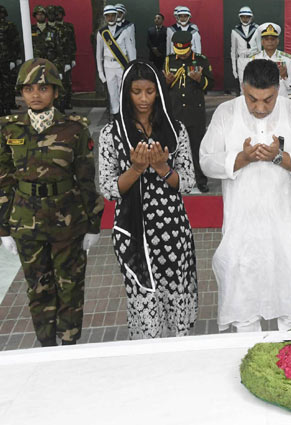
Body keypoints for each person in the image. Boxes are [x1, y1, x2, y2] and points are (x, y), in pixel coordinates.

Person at [200, 59, 291, 332]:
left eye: (268, 100)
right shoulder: (226, 113)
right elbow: (206, 160)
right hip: (242, 226)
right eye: (252, 99)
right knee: (243, 300)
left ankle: (290, 352)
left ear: (278, 89)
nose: (260, 108)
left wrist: (282, 158)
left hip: (284, 226)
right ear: (242, 88)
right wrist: (240, 159)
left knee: (290, 298)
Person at [0, 59, 104, 346]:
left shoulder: (74, 129)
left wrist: (93, 223)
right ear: (21, 93)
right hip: (26, 223)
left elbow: (86, 178)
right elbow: (4, 180)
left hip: (67, 221)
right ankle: (46, 347)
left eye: (43, 88)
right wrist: (3, 227)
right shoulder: (9, 130)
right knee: (38, 288)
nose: (35, 94)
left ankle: (68, 347)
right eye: (28, 89)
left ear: (56, 92)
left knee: (70, 287)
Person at [98, 60, 198, 339]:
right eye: (136, 92)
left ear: (159, 92)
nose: (143, 99)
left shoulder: (175, 130)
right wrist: (137, 169)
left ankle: (177, 349)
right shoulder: (112, 134)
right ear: (126, 93)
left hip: (171, 227)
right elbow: (108, 188)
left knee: (175, 289)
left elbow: (187, 182)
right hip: (132, 229)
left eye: (150, 92)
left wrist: (163, 169)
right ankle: (148, 350)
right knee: (142, 294)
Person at [164, 31, 213, 193]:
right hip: (175, 111)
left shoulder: (201, 60)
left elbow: (211, 84)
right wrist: (166, 82)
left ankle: (201, 180)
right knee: (174, 147)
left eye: (184, 51)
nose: (182, 55)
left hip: (195, 112)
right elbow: (161, 87)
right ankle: (173, 180)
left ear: (190, 46)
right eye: (179, 51)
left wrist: (200, 80)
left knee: (197, 147)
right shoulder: (168, 60)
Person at [96, 5, 136, 116]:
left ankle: (125, 114)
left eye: (112, 15)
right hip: (108, 66)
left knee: (124, 91)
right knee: (112, 92)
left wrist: (133, 67)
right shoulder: (101, 33)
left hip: (121, 65)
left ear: (116, 16)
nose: (110, 18)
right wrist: (100, 72)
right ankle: (115, 115)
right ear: (105, 17)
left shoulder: (124, 31)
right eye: (108, 16)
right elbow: (98, 54)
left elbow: (131, 50)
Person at [249, 23, 291, 98]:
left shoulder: (286, 59)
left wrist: (285, 76)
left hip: (281, 99)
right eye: (266, 39)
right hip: (262, 100)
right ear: (262, 42)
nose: (270, 42)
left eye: (273, 39)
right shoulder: (254, 60)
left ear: (277, 41)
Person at [48, 6, 76, 112]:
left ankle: (67, 102)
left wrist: (71, 59)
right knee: (58, 82)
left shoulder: (68, 27)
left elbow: (71, 43)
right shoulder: (52, 28)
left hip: (66, 57)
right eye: (56, 14)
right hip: (57, 59)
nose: (57, 16)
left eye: (59, 14)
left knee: (67, 82)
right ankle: (59, 105)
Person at [31, 6, 64, 86]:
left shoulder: (53, 30)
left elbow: (59, 50)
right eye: (38, 14)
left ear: (45, 15)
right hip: (36, 64)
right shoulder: (30, 30)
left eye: (42, 14)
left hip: (51, 64)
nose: (40, 16)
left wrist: (59, 69)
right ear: (35, 16)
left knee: (52, 87)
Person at [0, 5, 22, 116]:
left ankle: (7, 108)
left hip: (6, 60)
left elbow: (15, 43)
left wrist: (15, 59)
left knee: (7, 85)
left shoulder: (9, 26)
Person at [231, 6, 259, 91]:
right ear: (240, 17)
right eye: (243, 17)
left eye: (247, 17)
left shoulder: (257, 29)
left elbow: (260, 49)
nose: (245, 19)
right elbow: (233, 51)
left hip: (254, 59)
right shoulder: (235, 31)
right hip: (241, 60)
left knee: (255, 84)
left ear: (251, 17)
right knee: (242, 84)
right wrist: (234, 68)